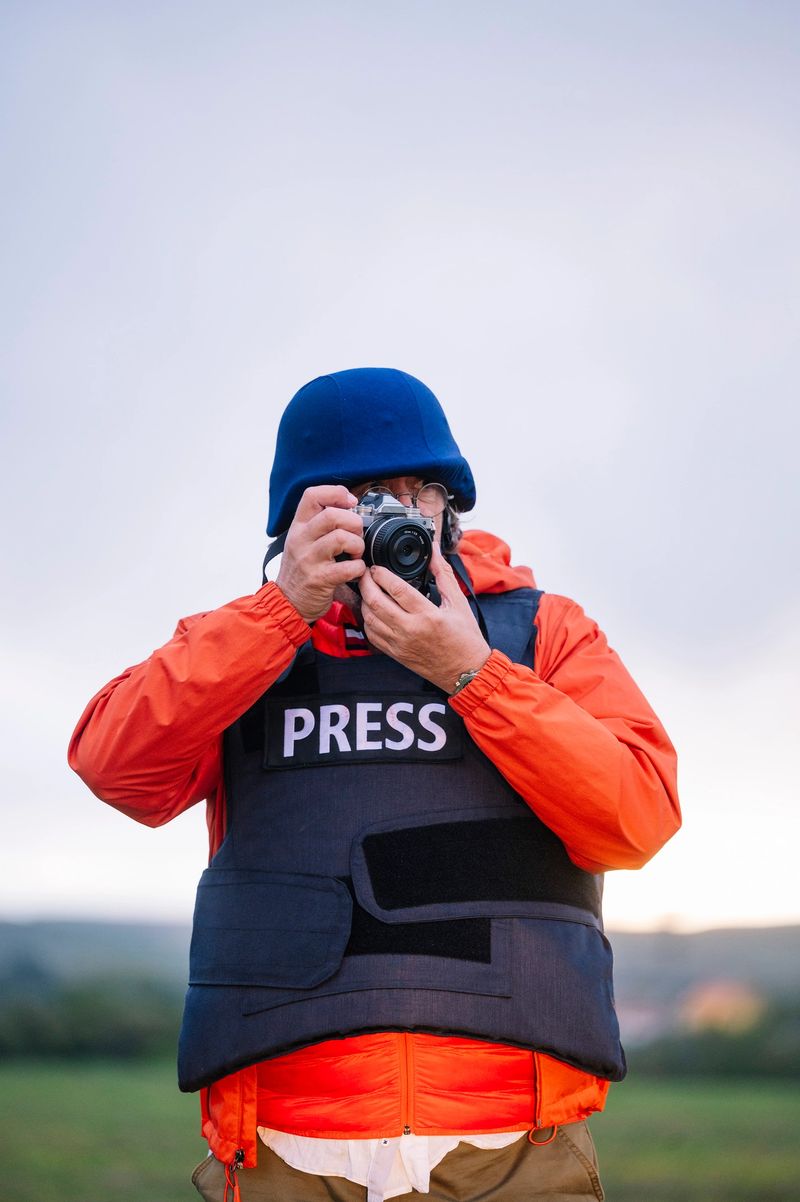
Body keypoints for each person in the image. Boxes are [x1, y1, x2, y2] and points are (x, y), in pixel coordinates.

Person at [69, 367, 680, 1202]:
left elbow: (638, 818)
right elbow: (117, 769)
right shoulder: (241, 646)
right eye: (364, 495)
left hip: (512, 1148)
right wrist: (281, 611)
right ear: (300, 520)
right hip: (289, 1148)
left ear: (450, 509)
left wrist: (471, 673)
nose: (400, 514)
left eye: (420, 491)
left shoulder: (542, 631)